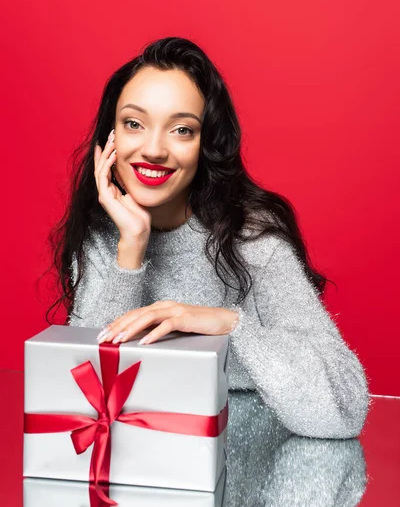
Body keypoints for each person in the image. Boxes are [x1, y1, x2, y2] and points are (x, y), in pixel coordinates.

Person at [47, 36, 370, 439]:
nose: (153, 149)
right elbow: (81, 408)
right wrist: (130, 249)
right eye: (134, 123)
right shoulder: (104, 235)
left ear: (206, 144)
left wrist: (230, 325)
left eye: (182, 129)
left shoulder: (251, 240)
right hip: (142, 475)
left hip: (251, 476)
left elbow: (343, 410)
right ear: (109, 137)